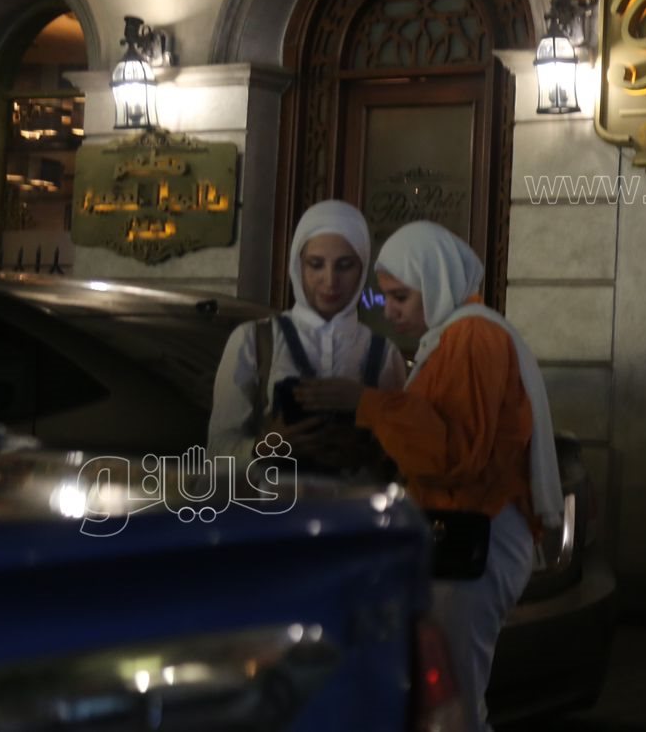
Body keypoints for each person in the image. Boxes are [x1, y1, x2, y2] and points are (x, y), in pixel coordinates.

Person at [296, 221, 563, 732]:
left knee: (457, 699)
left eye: (401, 296)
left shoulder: (472, 337)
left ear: (436, 282)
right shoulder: (454, 337)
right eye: (386, 298)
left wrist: (368, 404)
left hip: (474, 535)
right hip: (466, 533)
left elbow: (453, 452)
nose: (390, 311)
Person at [207, 199, 406, 469]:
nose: (330, 280)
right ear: (297, 265)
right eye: (316, 264)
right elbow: (217, 451)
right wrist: (265, 447)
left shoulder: (383, 353)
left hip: (355, 496)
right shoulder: (254, 340)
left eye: (345, 265)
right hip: (270, 495)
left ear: (362, 269)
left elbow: (404, 454)